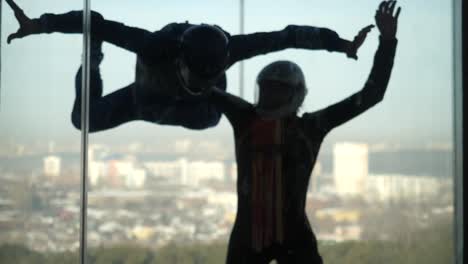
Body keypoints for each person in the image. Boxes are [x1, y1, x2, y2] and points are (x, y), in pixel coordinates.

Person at [206, 1, 400, 263]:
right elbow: (371, 95)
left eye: (276, 90)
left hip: (256, 237)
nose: (268, 96)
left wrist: (387, 41)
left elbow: (371, 95)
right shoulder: (307, 127)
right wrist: (386, 41)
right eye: (266, 89)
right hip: (288, 236)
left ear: (293, 94)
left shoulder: (249, 118)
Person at [5, 0, 372, 132]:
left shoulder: (230, 50)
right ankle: (94, 58)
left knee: (207, 116)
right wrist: (40, 24)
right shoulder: (153, 46)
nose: (199, 82)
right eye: (196, 77)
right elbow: (95, 23)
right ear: (179, 60)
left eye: (208, 77)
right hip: (147, 98)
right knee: (81, 120)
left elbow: (289, 35)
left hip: (191, 110)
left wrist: (341, 44)